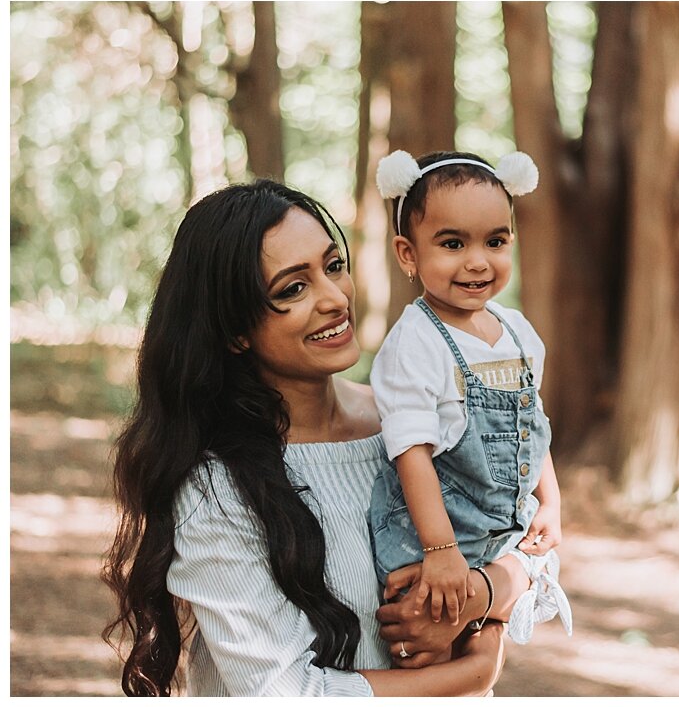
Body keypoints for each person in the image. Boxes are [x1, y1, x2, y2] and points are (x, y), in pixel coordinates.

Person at [103, 181, 559, 696]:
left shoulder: (412, 421)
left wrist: (478, 598)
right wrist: (471, 672)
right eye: (292, 289)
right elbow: (284, 692)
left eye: (334, 266)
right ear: (235, 331)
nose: (334, 298)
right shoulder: (217, 487)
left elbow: (531, 540)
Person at [369, 150, 571, 639]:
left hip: (503, 534)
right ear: (408, 254)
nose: (478, 261)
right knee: (427, 645)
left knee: (480, 644)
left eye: (495, 241)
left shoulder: (517, 330)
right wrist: (440, 550)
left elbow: (532, 424)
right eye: (453, 243)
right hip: (430, 538)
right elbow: (411, 451)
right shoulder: (417, 340)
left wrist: (550, 502)